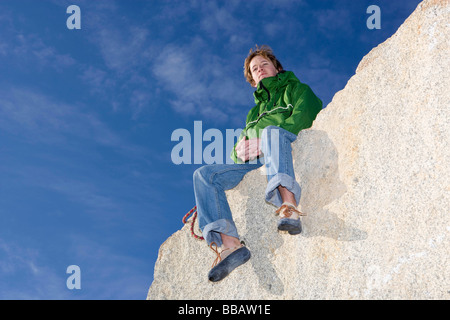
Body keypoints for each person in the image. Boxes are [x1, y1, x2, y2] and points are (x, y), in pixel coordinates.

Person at [193, 45, 322, 282]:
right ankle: (230, 245)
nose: (260, 69)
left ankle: (288, 206)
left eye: (264, 64)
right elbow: (241, 148)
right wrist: (238, 152)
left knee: (272, 132)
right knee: (203, 174)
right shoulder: (253, 114)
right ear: (252, 80)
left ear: (277, 68)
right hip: (257, 161)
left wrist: (269, 140)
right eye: (255, 69)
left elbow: (308, 112)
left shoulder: (295, 89)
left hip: (282, 142)